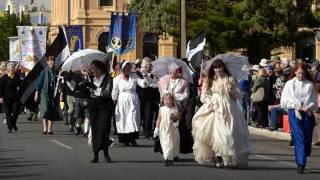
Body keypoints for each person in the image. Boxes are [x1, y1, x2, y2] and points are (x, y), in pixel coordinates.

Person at [192, 59, 250, 168]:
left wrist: (232, 89)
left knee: (228, 134)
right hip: (214, 108)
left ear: (224, 67)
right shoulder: (209, 80)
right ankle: (218, 156)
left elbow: (237, 96)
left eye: (219, 67)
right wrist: (210, 103)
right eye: (215, 68)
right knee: (217, 135)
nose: (218, 70)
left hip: (229, 108)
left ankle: (226, 158)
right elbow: (203, 96)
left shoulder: (230, 79)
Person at [280, 63, 317, 174]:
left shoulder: (309, 85)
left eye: (303, 73)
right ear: (295, 72)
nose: (301, 75)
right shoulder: (289, 84)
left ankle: (303, 156)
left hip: (308, 114)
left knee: (306, 138)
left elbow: (314, 102)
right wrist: (295, 106)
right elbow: (284, 101)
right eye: (299, 73)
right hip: (294, 113)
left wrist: (308, 107)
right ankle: (301, 163)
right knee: (299, 136)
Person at [157, 63, 192, 154]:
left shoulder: (183, 82)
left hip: (178, 109)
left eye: (176, 71)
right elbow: (156, 87)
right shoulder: (164, 80)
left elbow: (186, 96)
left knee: (176, 131)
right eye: (173, 71)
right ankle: (166, 151)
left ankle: (176, 151)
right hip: (165, 108)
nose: (175, 73)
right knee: (165, 129)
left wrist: (174, 96)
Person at [112, 61, 148, 146]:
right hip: (122, 101)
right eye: (126, 67)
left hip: (133, 99)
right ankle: (125, 140)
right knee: (123, 119)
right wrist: (114, 100)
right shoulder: (116, 79)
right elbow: (114, 92)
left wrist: (145, 76)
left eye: (129, 67)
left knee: (133, 118)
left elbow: (143, 84)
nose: (128, 69)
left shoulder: (134, 76)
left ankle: (132, 138)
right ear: (122, 69)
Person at [86, 60, 114, 163]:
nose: (92, 71)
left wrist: (95, 88)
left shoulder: (108, 78)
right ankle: (96, 155)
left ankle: (106, 153)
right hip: (94, 106)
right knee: (95, 130)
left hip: (105, 107)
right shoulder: (92, 79)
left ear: (99, 69)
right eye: (91, 69)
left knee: (103, 129)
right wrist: (86, 87)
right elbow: (90, 94)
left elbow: (106, 93)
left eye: (93, 69)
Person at [34, 56, 62, 134]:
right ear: (47, 62)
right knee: (45, 109)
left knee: (51, 110)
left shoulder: (56, 71)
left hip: (54, 93)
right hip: (44, 93)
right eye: (50, 61)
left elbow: (59, 83)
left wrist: (61, 94)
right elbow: (39, 83)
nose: (52, 62)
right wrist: (37, 93)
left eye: (53, 61)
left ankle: (50, 129)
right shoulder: (44, 71)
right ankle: (45, 128)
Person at [154, 93, 180, 166]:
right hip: (164, 128)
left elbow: (177, 117)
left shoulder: (175, 109)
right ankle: (167, 158)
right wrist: (157, 128)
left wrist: (176, 123)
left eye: (168, 99)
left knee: (173, 144)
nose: (167, 101)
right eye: (165, 99)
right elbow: (159, 119)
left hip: (172, 128)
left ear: (172, 100)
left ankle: (171, 158)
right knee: (166, 143)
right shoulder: (162, 109)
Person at [0, 63, 22, 133]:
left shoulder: (17, 76)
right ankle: (10, 127)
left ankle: (13, 123)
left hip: (15, 98)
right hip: (6, 99)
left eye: (13, 68)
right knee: (7, 114)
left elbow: (21, 84)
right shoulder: (3, 78)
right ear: (8, 69)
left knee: (16, 112)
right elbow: (0, 89)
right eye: (12, 68)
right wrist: (1, 97)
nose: (13, 69)